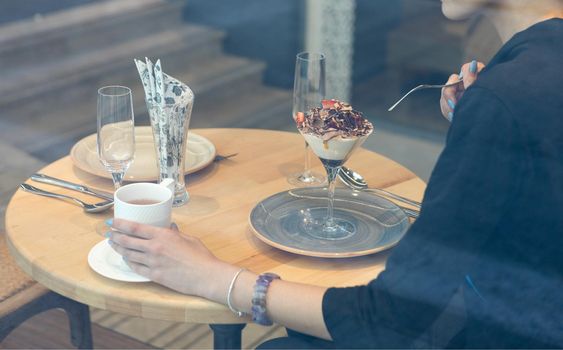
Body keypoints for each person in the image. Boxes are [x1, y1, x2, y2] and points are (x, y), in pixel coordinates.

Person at [106, 0, 563, 347]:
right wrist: (489, 127)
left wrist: (211, 277)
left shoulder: (508, 98)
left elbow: (388, 319)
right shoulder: (524, 80)